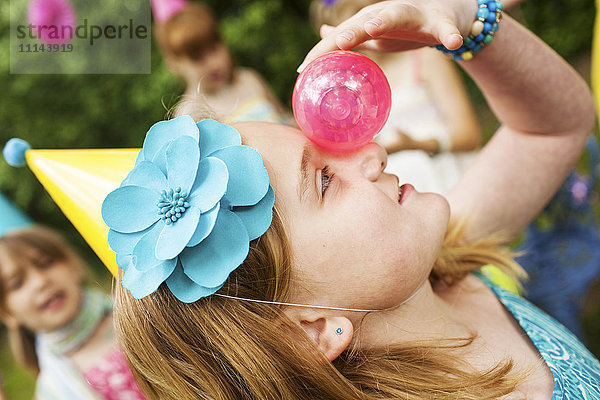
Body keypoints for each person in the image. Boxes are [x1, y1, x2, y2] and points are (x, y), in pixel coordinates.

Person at [38, 0, 597, 398]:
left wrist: (473, 22)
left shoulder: (446, 274)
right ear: (310, 327)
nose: (372, 153)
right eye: (323, 179)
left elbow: (551, 128)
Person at [310, 0, 481, 193]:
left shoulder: (423, 57)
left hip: (453, 180)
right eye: (357, 11)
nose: (369, 15)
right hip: (401, 192)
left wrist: (417, 145)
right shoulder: (348, 87)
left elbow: (469, 135)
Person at [0, 225, 145, 400]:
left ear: (73, 265)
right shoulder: (53, 391)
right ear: (7, 313)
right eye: (17, 283)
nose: (40, 281)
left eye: (46, 263)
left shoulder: (139, 308)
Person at [153, 0, 295, 125]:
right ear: (174, 63)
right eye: (198, 58)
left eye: (214, 49)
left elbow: (285, 118)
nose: (214, 63)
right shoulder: (189, 114)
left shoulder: (248, 79)